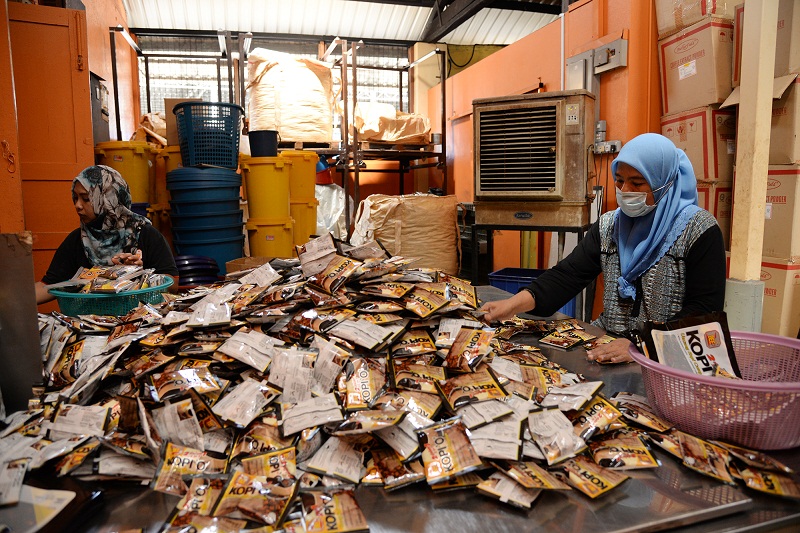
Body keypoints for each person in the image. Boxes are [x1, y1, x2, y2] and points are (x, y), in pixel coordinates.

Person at [481, 133, 726, 363]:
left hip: (664, 356)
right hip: (607, 343)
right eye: (619, 181)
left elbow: (703, 311)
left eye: (637, 183)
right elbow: (569, 274)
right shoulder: (610, 225)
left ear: (664, 183)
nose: (625, 191)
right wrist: (512, 305)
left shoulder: (698, 230)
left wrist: (641, 346)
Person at [35, 165, 179, 304]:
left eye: (85, 198)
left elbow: (172, 283)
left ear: (108, 199)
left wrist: (139, 275)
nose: (77, 205)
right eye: (75, 197)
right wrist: (17, 301)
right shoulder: (76, 241)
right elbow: (48, 285)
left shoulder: (145, 234)